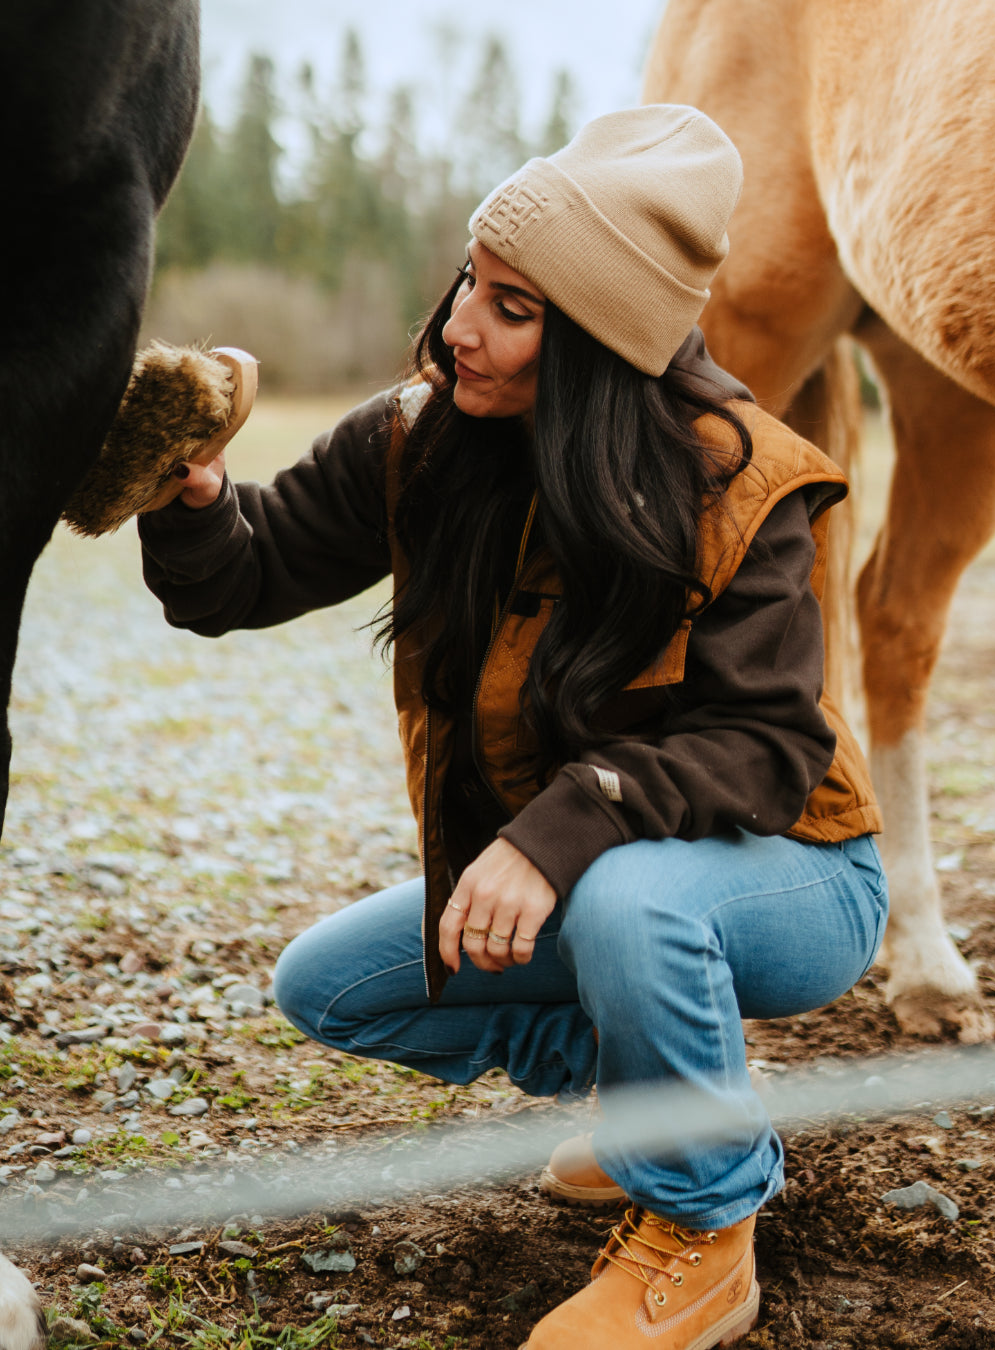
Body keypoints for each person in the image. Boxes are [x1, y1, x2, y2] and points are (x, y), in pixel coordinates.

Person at [138, 105, 887, 1350]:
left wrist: (559, 831)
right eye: (471, 284)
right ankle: (669, 1105)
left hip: (797, 875)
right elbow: (242, 576)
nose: (457, 328)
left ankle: (704, 1230)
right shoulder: (420, 432)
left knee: (632, 901)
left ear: (601, 340)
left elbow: (765, 744)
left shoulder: (741, 478)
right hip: (609, 873)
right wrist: (196, 496)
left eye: (515, 308)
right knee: (335, 988)